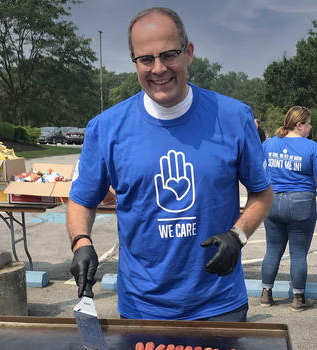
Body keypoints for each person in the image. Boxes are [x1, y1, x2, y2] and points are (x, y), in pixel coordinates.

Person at [67, 7, 273, 321]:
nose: (159, 68)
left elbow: (262, 193)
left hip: (219, 305)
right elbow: (82, 199)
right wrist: (81, 242)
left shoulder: (233, 117)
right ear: (134, 61)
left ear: (188, 53)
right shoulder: (106, 128)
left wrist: (238, 235)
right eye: (146, 59)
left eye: (169, 54)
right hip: (142, 309)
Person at [260, 106, 317, 311]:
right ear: (300, 125)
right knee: (299, 253)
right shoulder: (312, 148)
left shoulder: (269, 144)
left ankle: (266, 294)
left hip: (273, 201)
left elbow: (260, 172)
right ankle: (298, 299)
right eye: (309, 123)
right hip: (302, 202)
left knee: (273, 250)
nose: (310, 127)